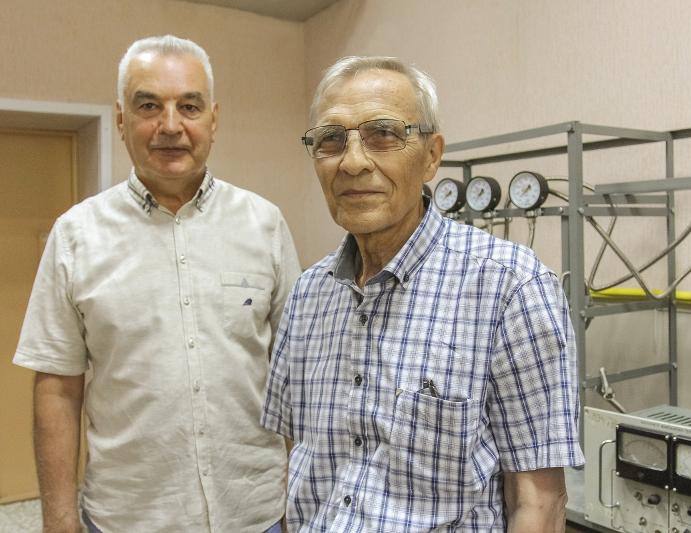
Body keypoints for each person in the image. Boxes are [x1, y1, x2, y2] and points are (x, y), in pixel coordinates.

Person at [261, 56, 584, 532]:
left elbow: (539, 502)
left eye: (383, 134)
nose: (352, 162)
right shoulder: (308, 293)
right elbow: (297, 458)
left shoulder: (511, 288)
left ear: (432, 156)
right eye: (331, 139)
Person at [14, 35, 300, 533]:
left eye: (189, 106)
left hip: (256, 511)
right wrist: (58, 518)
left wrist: (302, 496)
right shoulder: (76, 235)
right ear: (121, 119)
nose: (170, 126)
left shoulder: (265, 224)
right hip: (128, 516)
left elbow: (297, 370)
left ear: (213, 119)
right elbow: (58, 387)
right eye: (149, 106)